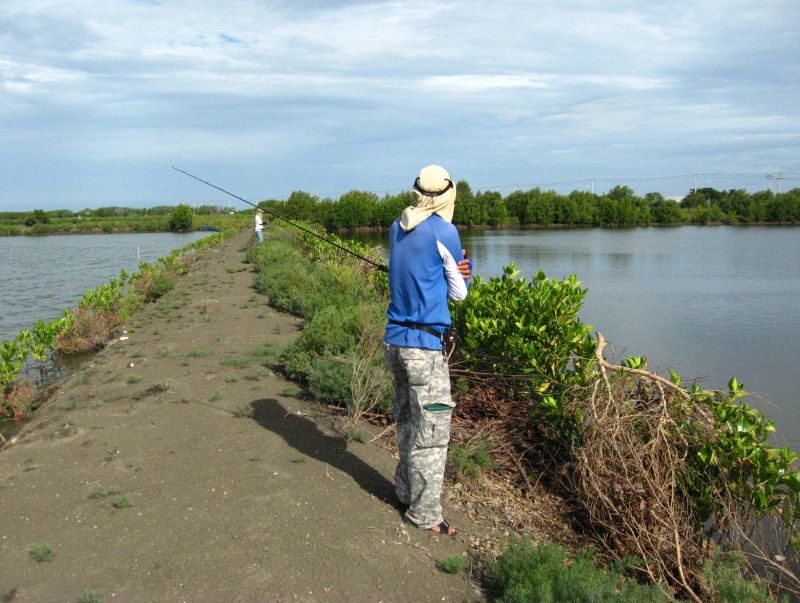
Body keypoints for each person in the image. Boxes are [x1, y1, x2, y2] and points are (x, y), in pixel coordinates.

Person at [383, 164, 471, 536]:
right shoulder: (445, 231)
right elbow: (458, 293)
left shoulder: (396, 226)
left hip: (395, 343)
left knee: (407, 422)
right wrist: (464, 272)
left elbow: (416, 272)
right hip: (425, 350)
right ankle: (425, 514)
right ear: (448, 194)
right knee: (432, 434)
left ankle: (405, 491)